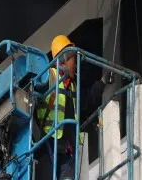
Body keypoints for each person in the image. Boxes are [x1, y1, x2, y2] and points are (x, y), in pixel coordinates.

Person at [34, 36, 105, 179]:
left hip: (68, 149)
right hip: (49, 144)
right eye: (74, 59)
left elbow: (86, 101)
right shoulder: (48, 76)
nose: (76, 65)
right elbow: (31, 99)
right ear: (64, 58)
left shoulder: (72, 85)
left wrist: (102, 83)